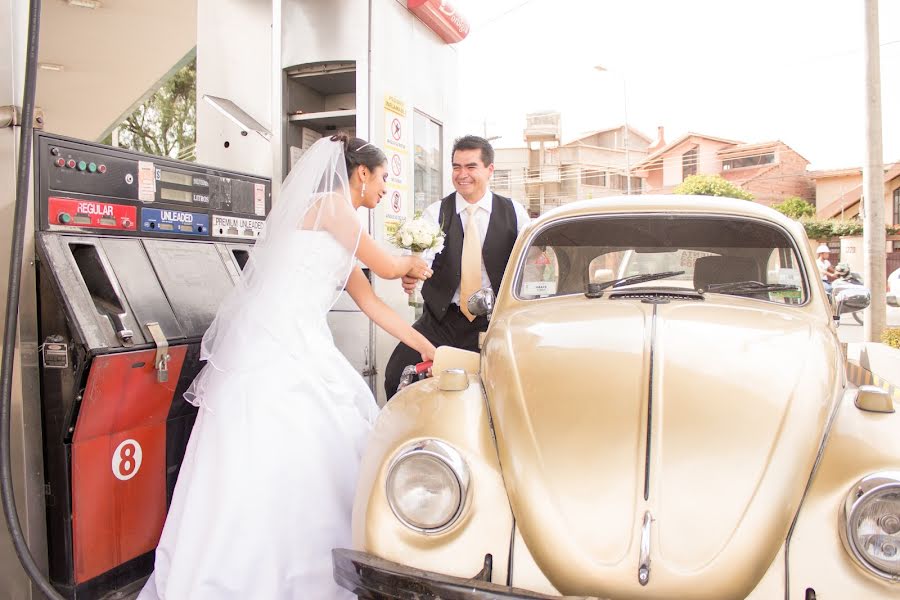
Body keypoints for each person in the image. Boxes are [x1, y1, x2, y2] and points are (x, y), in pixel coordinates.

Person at [138, 134, 435, 600]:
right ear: (360, 174)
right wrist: (414, 263)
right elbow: (388, 266)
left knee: (319, 444)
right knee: (284, 446)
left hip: (299, 339)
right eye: (382, 179)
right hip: (277, 344)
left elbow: (373, 303)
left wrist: (425, 346)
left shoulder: (337, 232)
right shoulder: (333, 208)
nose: (383, 190)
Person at [383, 135, 530, 399]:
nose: (462, 175)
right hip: (441, 320)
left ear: (489, 169)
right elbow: (419, 261)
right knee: (396, 374)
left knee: (505, 389)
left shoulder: (515, 213)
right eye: (456, 167)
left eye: (471, 166)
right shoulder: (435, 212)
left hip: (493, 322)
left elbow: (528, 264)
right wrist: (411, 274)